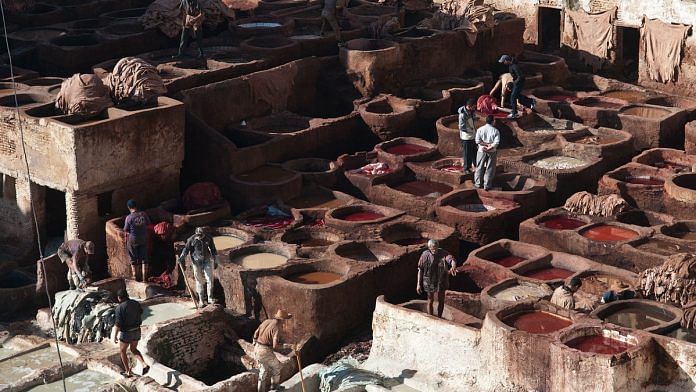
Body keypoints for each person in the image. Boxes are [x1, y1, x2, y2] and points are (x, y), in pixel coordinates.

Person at [253, 309, 293, 392]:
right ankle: (275, 386)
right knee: (277, 366)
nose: (286, 322)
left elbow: (256, 332)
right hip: (265, 350)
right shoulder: (277, 327)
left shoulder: (267, 321)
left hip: (257, 347)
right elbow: (275, 346)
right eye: (286, 319)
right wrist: (289, 346)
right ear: (283, 319)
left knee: (263, 371)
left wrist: (254, 342)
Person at [178, 227, 218, 307]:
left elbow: (213, 249)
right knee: (199, 281)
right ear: (196, 234)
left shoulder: (208, 238)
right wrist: (182, 258)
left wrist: (216, 260)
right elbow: (186, 249)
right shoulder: (191, 239)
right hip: (196, 262)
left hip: (206, 260)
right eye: (198, 235)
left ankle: (210, 298)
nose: (199, 236)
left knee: (210, 279)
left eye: (201, 235)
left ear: (204, 234)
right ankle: (201, 300)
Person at [113, 289, 149, 378]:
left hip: (126, 333)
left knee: (122, 351)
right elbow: (141, 312)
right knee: (133, 349)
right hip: (137, 330)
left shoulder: (119, 308)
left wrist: (114, 336)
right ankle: (144, 364)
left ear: (119, 298)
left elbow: (118, 324)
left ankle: (128, 371)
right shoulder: (135, 303)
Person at [417, 239, 457, 318]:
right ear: (429, 248)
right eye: (432, 249)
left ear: (438, 247)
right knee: (430, 300)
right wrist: (418, 284)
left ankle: (439, 317)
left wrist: (453, 266)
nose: (434, 250)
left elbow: (451, 260)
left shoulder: (443, 253)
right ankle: (430, 317)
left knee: (441, 300)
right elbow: (420, 269)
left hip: (441, 280)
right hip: (429, 280)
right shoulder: (425, 255)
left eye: (435, 248)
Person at [123, 199, 151, 282]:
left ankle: (135, 277)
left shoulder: (129, 217)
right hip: (143, 238)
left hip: (133, 239)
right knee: (144, 258)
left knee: (133, 258)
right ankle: (144, 278)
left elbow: (125, 229)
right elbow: (148, 224)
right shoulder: (143, 214)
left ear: (129, 207)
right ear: (136, 206)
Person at [474, 115, 500, 191]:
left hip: (481, 150)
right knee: (490, 168)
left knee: (479, 167)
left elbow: (477, 141)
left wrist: (484, 145)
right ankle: (487, 185)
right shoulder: (495, 131)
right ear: (492, 121)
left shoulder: (480, 129)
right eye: (494, 120)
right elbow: (496, 142)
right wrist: (490, 147)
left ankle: (478, 184)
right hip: (492, 152)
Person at [498, 54, 526, 119]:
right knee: (515, 96)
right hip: (516, 82)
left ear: (506, 60)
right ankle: (530, 102)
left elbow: (520, 76)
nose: (503, 63)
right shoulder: (511, 65)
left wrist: (514, 83)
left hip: (519, 83)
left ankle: (514, 113)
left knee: (513, 97)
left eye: (503, 61)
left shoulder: (514, 66)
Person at [458, 98, 477, 174]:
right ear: (469, 106)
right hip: (466, 137)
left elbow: (473, 120)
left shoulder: (472, 112)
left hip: (472, 135)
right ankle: (466, 168)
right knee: (467, 153)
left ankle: (475, 165)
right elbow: (461, 127)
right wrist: (470, 130)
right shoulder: (462, 115)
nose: (474, 108)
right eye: (473, 107)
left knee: (474, 151)